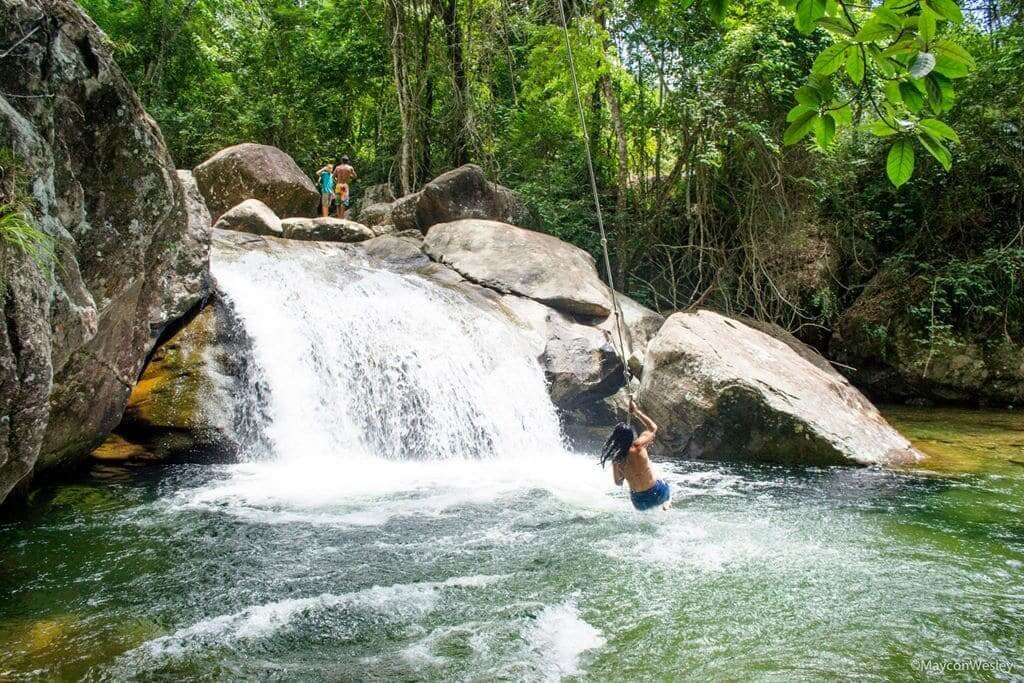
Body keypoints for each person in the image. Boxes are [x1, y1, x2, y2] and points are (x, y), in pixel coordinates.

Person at [601, 399, 671, 511]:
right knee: (665, 484)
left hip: (639, 502)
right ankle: (666, 503)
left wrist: (625, 473)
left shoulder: (616, 459)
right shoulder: (638, 446)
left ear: (615, 439)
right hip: (657, 494)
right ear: (631, 436)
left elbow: (618, 483)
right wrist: (636, 411)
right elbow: (653, 428)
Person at [332, 155, 357, 219]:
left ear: (341, 160)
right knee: (343, 202)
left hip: (338, 185)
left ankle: (338, 217)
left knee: (337, 203)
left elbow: (333, 177)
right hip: (345, 186)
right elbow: (355, 176)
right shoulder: (350, 168)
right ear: (347, 161)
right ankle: (342, 217)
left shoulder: (337, 167)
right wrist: (349, 175)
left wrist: (336, 181)